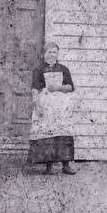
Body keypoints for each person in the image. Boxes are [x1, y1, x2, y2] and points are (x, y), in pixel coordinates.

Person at [29, 44, 77, 175]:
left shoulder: (63, 69)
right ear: (44, 54)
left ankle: (66, 165)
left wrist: (58, 88)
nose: (52, 55)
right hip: (46, 104)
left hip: (61, 105)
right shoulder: (38, 70)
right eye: (49, 52)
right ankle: (48, 166)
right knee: (48, 132)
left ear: (58, 54)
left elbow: (71, 87)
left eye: (54, 52)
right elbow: (34, 88)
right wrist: (36, 103)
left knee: (63, 132)